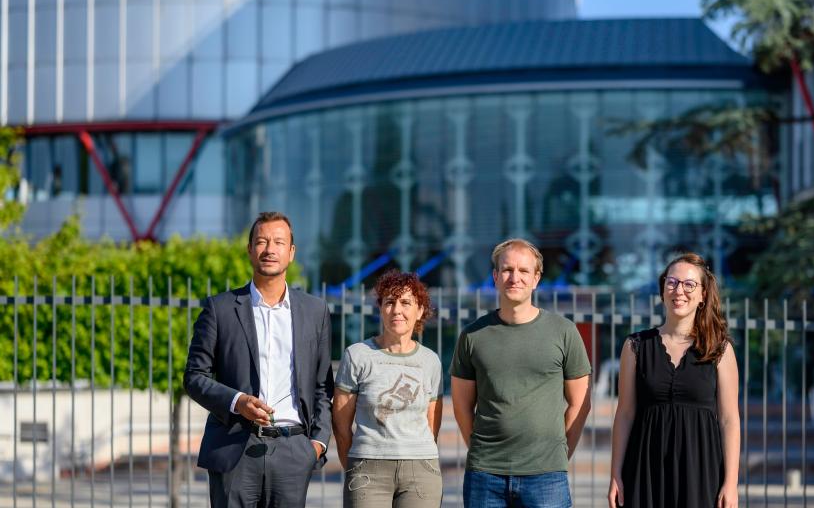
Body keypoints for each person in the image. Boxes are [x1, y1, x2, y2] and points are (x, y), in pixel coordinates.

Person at [183, 211, 333, 508]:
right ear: (250, 250)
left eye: (278, 242)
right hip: (235, 446)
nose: (269, 249)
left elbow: (322, 386)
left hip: (294, 450)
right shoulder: (220, 308)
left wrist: (316, 445)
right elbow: (194, 377)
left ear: (291, 253)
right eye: (262, 241)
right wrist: (238, 401)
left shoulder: (315, 311)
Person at [450, 238, 591, 508]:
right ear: (495, 276)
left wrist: (559, 456)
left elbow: (580, 404)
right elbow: (461, 405)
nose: (515, 277)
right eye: (507, 270)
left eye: (524, 271)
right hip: (485, 476)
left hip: (546, 477)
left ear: (537, 278)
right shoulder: (472, 336)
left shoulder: (564, 332)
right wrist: (483, 454)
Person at [608, 253, 740, 508]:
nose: (679, 290)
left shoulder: (720, 349)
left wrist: (731, 483)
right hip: (645, 468)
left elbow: (729, 420)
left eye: (689, 284)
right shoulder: (635, 346)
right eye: (672, 282)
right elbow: (624, 414)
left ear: (703, 295)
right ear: (662, 290)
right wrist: (616, 474)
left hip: (701, 470)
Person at [332, 270, 444, 507]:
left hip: (421, 469)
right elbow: (341, 426)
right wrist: (355, 465)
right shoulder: (358, 355)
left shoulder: (431, 361)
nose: (397, 310)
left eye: (406, 303)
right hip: (368, 467)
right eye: (390, 302)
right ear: (380, 308)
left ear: (420, 310)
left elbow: (432, 421)